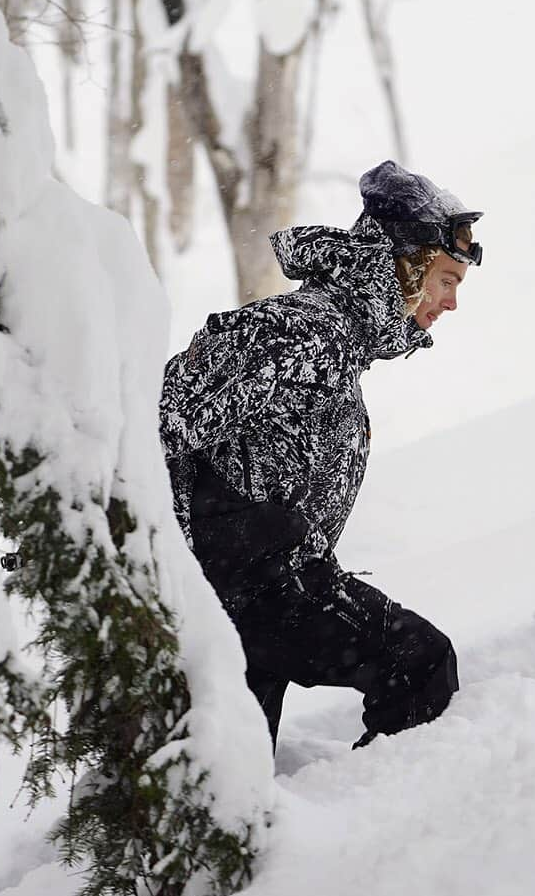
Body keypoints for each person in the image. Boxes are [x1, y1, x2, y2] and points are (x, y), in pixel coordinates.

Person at [159, 160, 483, 751]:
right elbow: (170, 421)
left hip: (255, 601)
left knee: (226, 778)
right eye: (445, 280)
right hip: (244, 596)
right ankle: (374, 826)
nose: (451, 303)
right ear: (405, 268)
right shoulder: (305, 333)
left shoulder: (333, 344)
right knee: (418, 663)